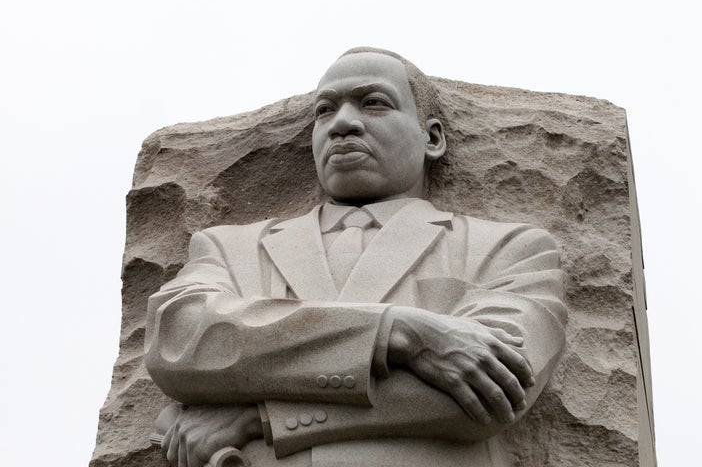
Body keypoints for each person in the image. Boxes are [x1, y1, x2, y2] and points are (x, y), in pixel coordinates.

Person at [144, 47, 567, 467]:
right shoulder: (231, 248)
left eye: (374, 103)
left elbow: (495, 391)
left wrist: (260, 417)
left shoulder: (508, 249)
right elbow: (180, 342)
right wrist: (397, 332)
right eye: (324, 111)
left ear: (432, 138)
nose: (343, 123)